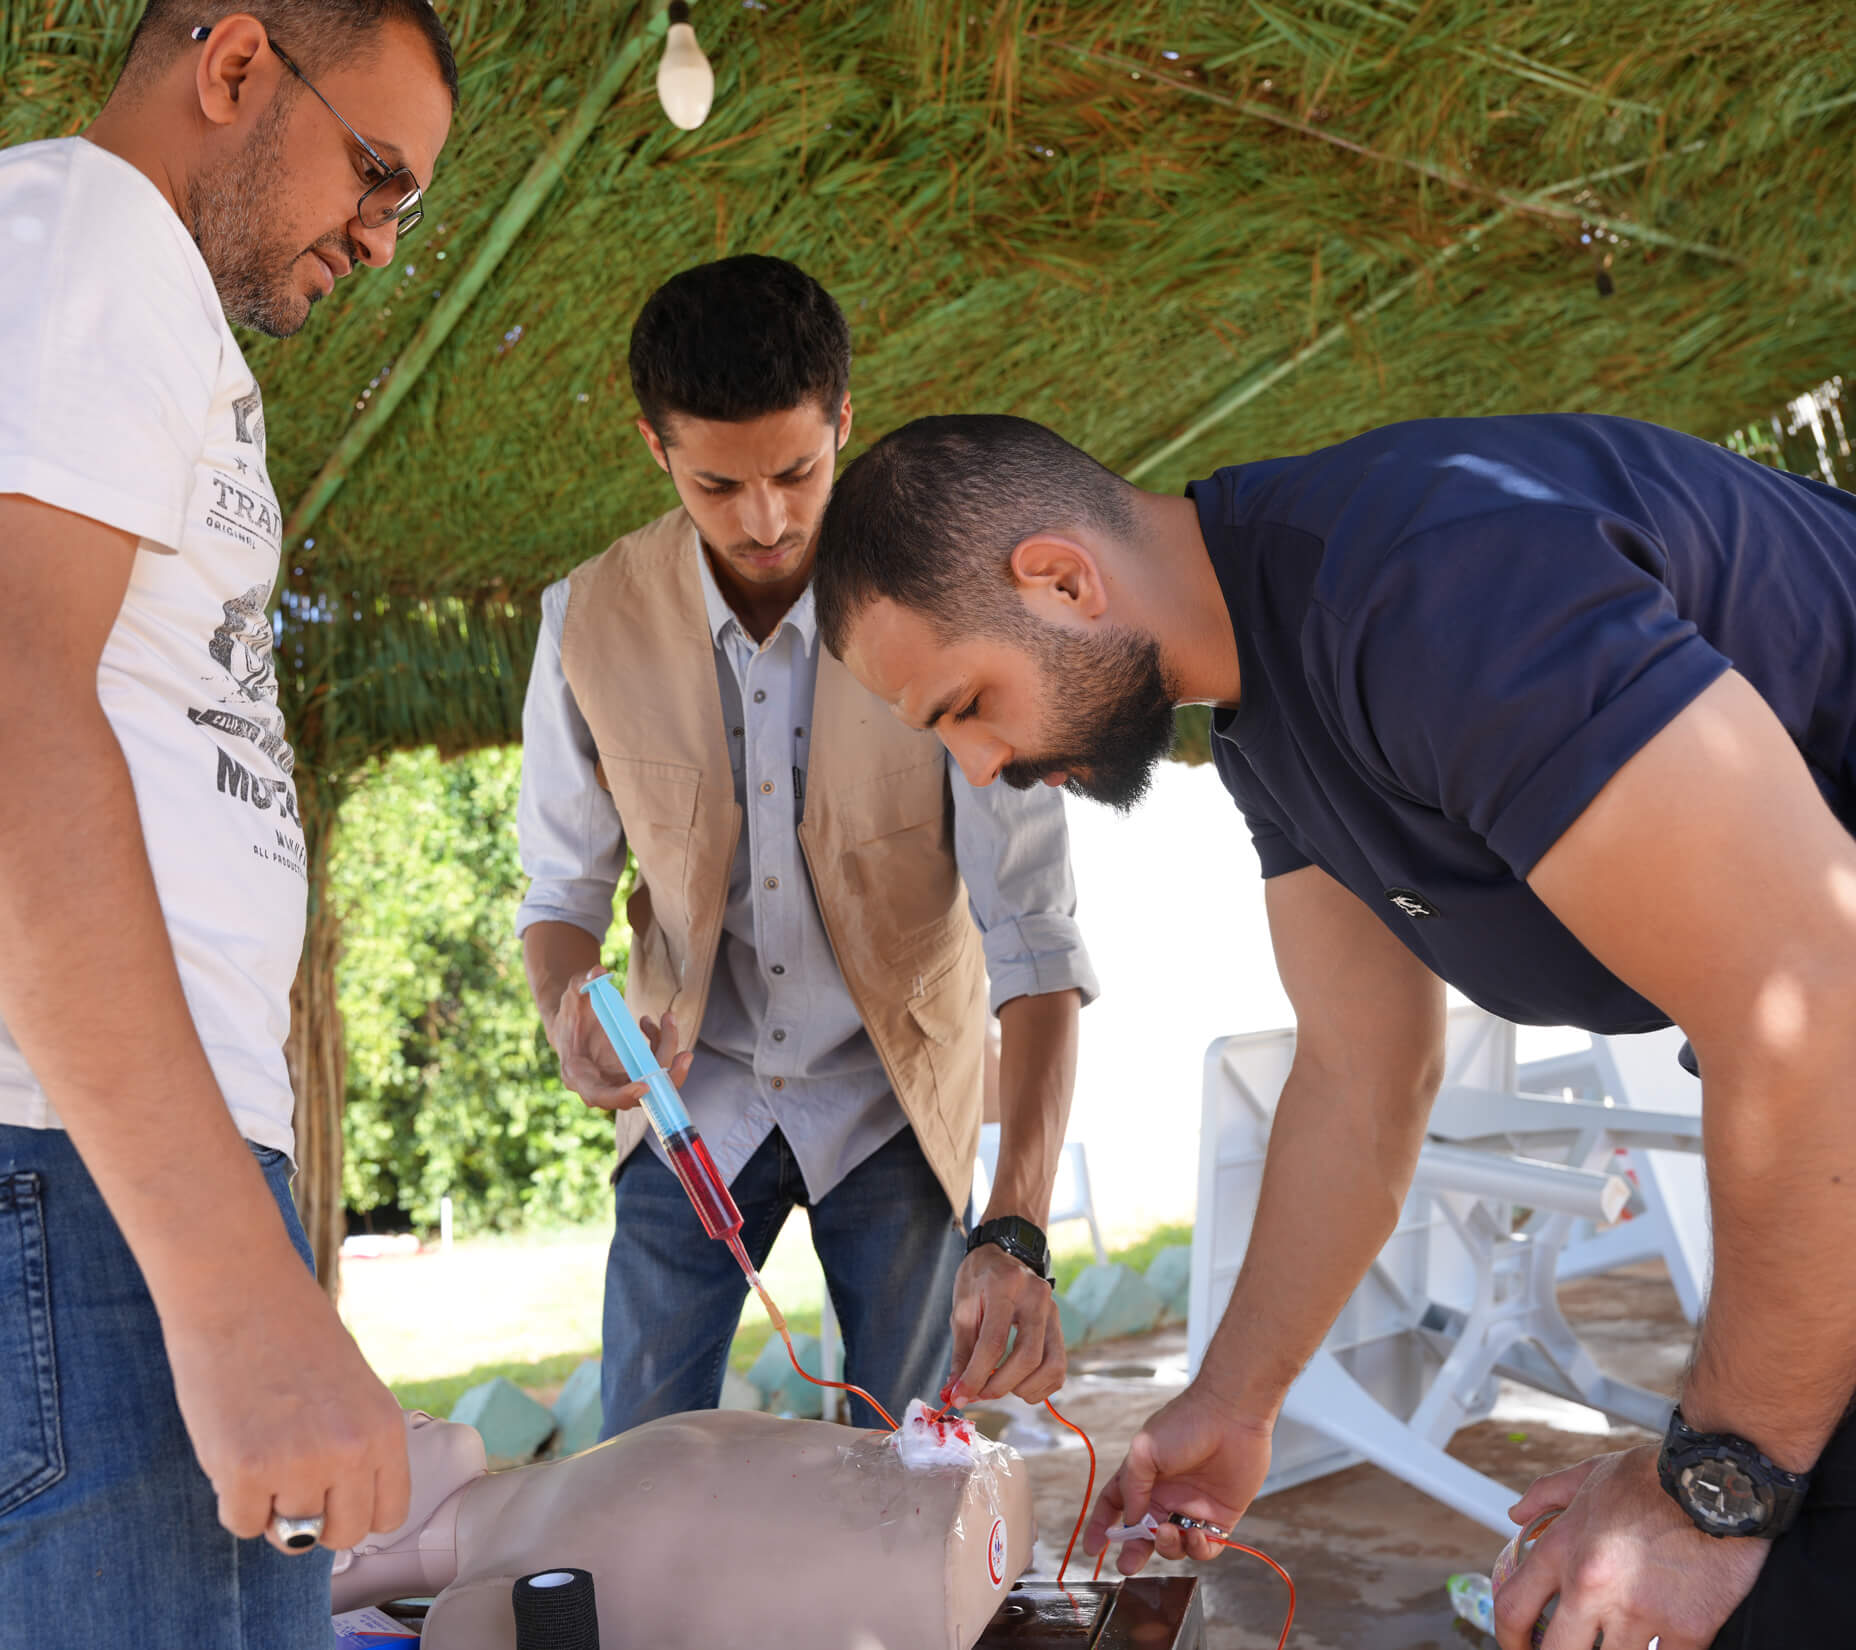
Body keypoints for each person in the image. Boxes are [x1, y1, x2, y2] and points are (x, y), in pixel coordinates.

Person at [811, 411, 1856, 1650]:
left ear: (1061, 580)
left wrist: (1711, 1489)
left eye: (967, 704)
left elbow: (1811, 1006)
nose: (978, 768)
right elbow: (1363, 1074)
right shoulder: (1272, 709)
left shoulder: (1422, 587)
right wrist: (1234, 1401)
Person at [0, 6, 457, 1643]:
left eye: (408, 211)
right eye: (377, 172)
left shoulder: (46, 260)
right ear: (238, 64)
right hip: (32, 1162)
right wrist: (236, 1292)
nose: (379, 239)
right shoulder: (82, 235)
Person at [515, 257, 1099, 1438]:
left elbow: (1035, 945)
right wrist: (564, 1010)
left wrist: (1016, 1225)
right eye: (717, 483)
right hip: (691, 1100)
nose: (765, 519)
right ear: (654, 447)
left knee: (909, 1471)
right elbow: (560, 893)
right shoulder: (586, 622)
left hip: (894, 1100)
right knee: (639, 1456)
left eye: (797, 471)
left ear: (845, 420)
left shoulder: (959, 610)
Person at [328, 1406, 1035, 1646]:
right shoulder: (479, 1601)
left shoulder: (551, 1485)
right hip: (904, 1585)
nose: (394, 1412)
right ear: (342, 1555)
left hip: (937, 1504)